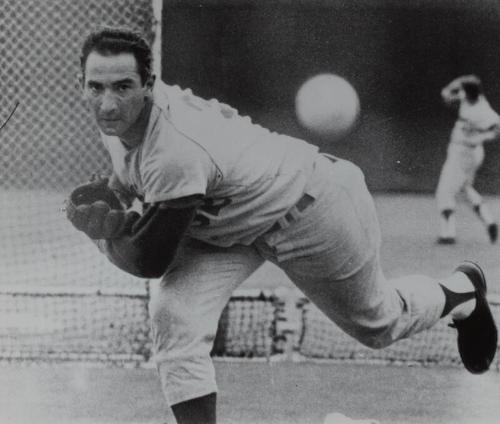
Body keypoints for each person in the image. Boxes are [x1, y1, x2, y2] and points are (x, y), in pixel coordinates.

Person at [68, 27, 498, 424]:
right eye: (96, 86)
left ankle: (462, 292)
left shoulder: (175, 147)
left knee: (379, 324)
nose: (108, 102)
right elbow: (134, 182)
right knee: (174, 314)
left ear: (148, 84)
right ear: (82, 85)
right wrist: (117, 200)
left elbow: (149, 261)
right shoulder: (120, 122)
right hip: (229, 224)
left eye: (123, 86)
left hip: (310, 207)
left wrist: (102, 231)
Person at [436, 74, 500, 244]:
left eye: (463, 90)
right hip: (465, 151)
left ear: (469, 92)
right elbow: (451, 92)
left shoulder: (481, 110)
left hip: (465, 152)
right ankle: (490, 221)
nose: (461, 91)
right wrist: (450, 88)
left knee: (445, 190)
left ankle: (447, 234)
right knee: (465, 190)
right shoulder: (469, 97)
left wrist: (481, 138)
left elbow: (497, 127)